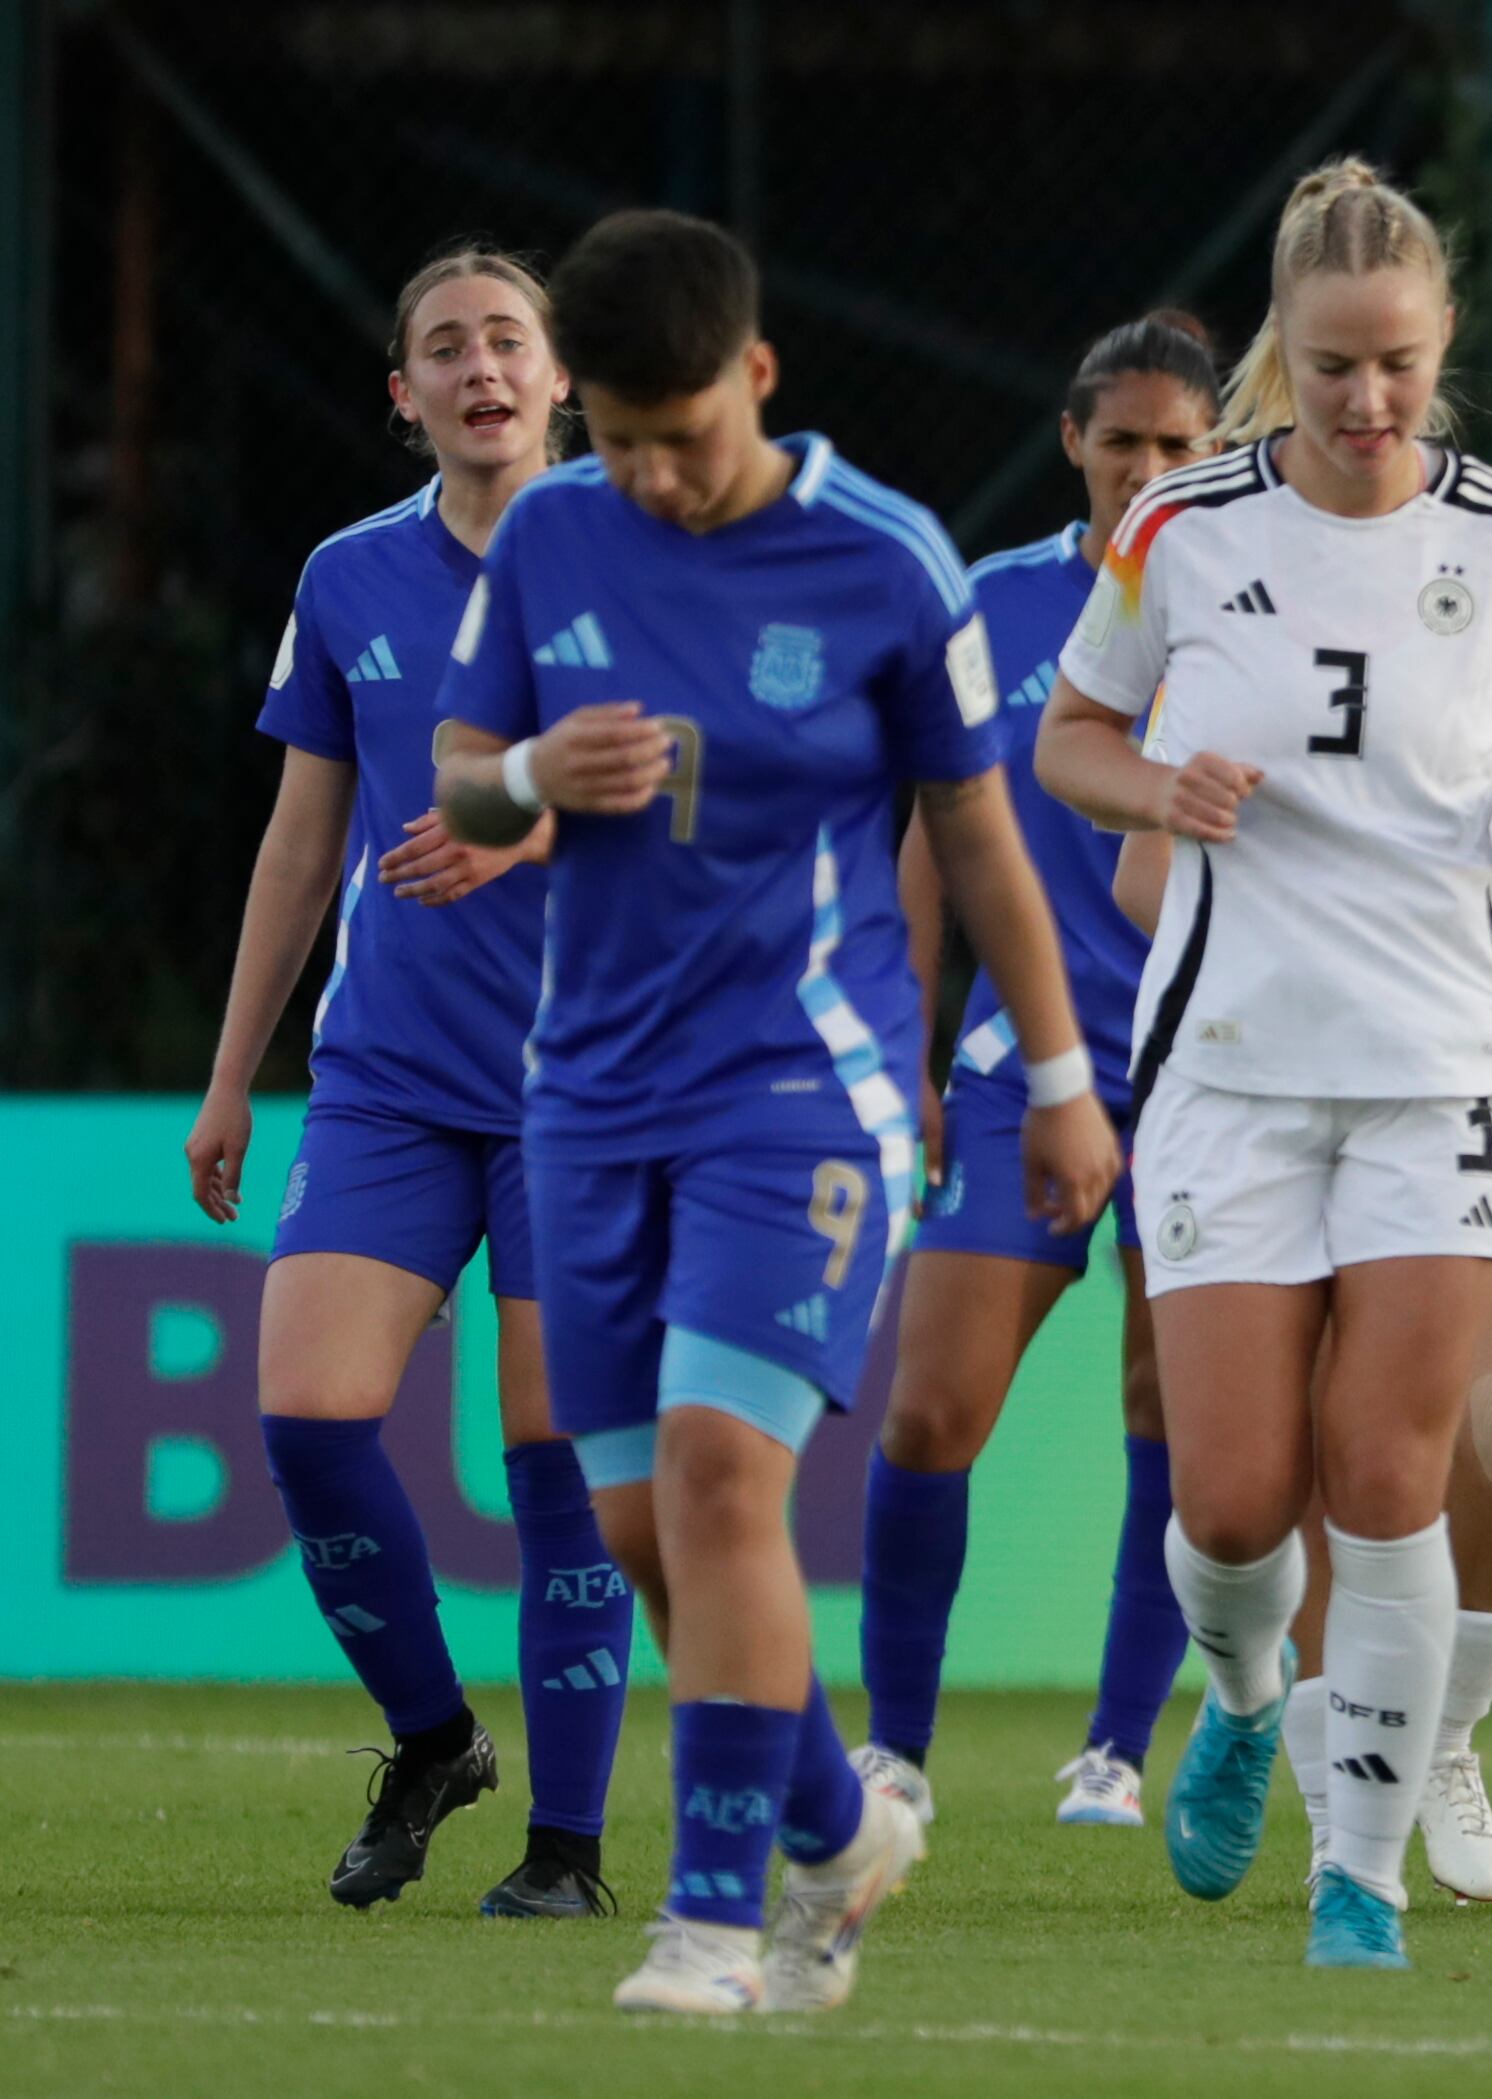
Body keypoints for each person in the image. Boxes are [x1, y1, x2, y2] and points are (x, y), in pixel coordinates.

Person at [431, 208, 1120, 2014]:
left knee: (730, 1482)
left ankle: (713, 1919)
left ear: (758, 375)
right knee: (652, 1532)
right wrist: (523, 774)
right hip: (583, 1098)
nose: (653, 477)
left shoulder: (886, 560)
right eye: (620, 435)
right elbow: (454, 782)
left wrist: (1050, 1078)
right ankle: (833, 1816)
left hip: (800, 1093)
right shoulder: (551, 534)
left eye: (687, 433)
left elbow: (976, 832)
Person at [1036, 156, 1492, 1970]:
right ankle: (1239, 1703)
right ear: (1278, 364)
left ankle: (1356, 1877)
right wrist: (1151, 780)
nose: (1367, 403)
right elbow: (1069, 733)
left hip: (1437, 1071)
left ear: (1440, 342)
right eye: (1328, 370)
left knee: (1386, 1482)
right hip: (1225, 1074)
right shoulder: (1181, 531)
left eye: (1394, 364)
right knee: (1231, 1504)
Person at [184, 245, 632, 1920]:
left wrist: (523, 802)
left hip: (584, 1083)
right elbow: (305, 836)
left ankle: (568, 1853)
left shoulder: (635, 550)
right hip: (386, 1078)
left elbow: (699, 800)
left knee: (554, 1454)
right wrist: (234, 1074)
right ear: (405, 394)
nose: (479, 369)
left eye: (507, 340)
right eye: (443, 348)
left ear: (562, 374)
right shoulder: (348, 575)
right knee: (305, 1414)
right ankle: (435, 1732)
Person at [850, 313, 1221, 1835]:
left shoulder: (1254, 603)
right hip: (1020, 1067)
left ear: (1218, 453)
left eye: (1179, 445)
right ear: (1072, 440)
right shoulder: (988, 603)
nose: (1146, 469)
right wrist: (915, 1053)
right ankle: (896, 1748)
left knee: (1175, 1412)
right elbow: (934, 841)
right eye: (1121, 440)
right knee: (931, 1407)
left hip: (1210, 1063)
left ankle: (1118, 1748)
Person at [1114, 829, 1492, 1905]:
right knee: (1299, 1467)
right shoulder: (1220, 656)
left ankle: (1445, 1736)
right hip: (1261, 1085)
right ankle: (1327, 1803)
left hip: (1446, 1072)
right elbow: (1143, 868)